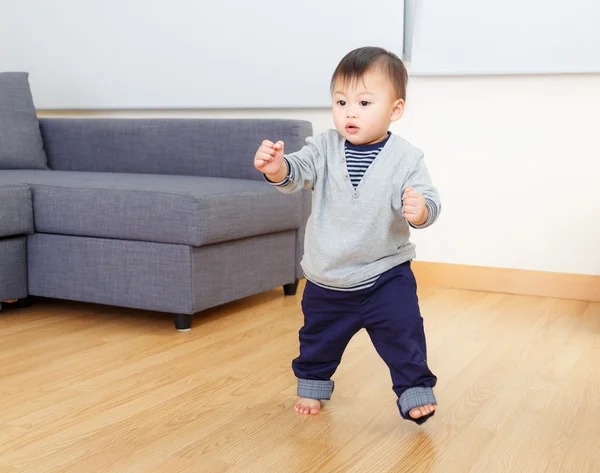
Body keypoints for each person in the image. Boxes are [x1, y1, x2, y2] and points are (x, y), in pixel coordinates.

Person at [253, 46, 440, 424]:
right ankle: (313, 383)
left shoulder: (406, 158)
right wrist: (276, 168)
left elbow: (429, 199)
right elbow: (297, 173)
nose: (350, 112)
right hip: (328, 275)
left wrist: (421, 210)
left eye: (364, 102)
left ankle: (414, 388)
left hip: (386, 272)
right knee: (318, 337)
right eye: (341, 101)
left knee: (404, 331)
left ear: (396, 109)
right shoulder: (322, 147)